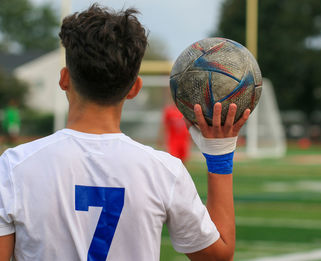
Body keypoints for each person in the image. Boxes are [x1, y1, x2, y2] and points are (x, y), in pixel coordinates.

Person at [0, 4, 250, 261]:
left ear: (64, 79)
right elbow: (218, 257)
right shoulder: (163, 171)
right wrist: (219, 154)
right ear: (135, 88)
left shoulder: (13, 167)